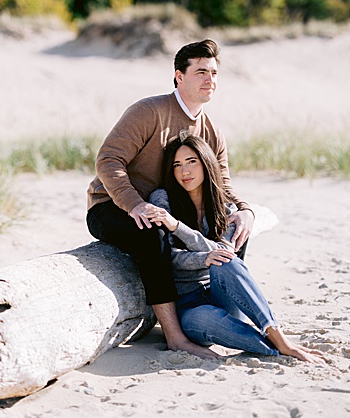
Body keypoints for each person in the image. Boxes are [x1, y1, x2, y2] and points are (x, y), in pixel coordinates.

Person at [85, 39, 255, 360]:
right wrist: (135, 204)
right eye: (201, 72)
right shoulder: (149, 111)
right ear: (179, 77)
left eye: (214, 73)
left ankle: (225, 315)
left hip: (168, 211)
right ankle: (175, 335)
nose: (210, 80)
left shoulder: (212, 131)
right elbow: (108, 160)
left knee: (235, 224)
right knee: (153, 233)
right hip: (112, 207)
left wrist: (245, 210)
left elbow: (223, 185)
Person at [146, 135, 325, 362]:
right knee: (204, 319)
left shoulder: (226, 207)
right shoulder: (162, 199)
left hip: (223, 294)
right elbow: (167, 257)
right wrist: (204, 258)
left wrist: (177, 227)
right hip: (188, 307)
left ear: (205, 163)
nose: (184, 171)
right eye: (177, 165)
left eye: (191, 161)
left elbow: (223, 252)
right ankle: (276, 348)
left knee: (225, 260)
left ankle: (279, 337)